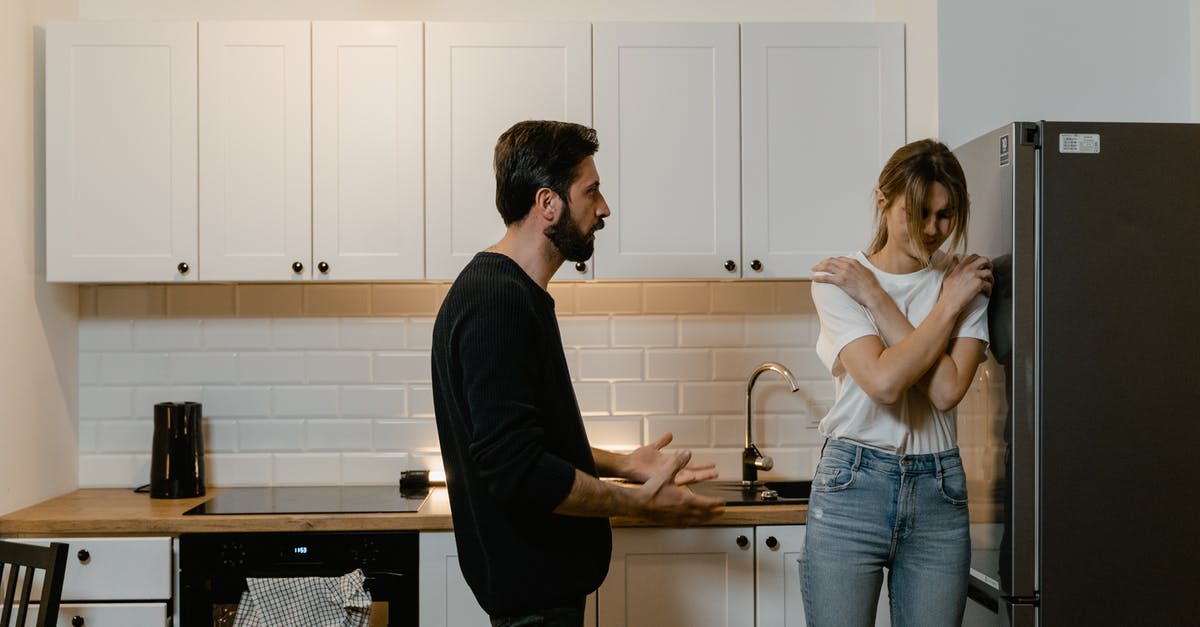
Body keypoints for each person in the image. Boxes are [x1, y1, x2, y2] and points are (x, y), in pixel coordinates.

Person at [431, 120, 726, 627]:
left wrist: (623, 464)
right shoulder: (496, 302)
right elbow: (518, 471)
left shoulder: (507, 293)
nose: (604, 207)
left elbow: (520, 442)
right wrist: (640, 506)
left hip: (541, 598)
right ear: (548, 204)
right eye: (591, 191)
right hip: (534, 605)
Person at [801, 138, 994, 627]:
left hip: (939, 491)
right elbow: (884, 382)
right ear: (883, 201)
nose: (932, 230)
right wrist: (935, 306)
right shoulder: (840, 279)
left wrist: (939, 300)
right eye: (918, 213)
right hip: (852, 486)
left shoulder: (965, 281)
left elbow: (947, 390)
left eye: (945, 215)